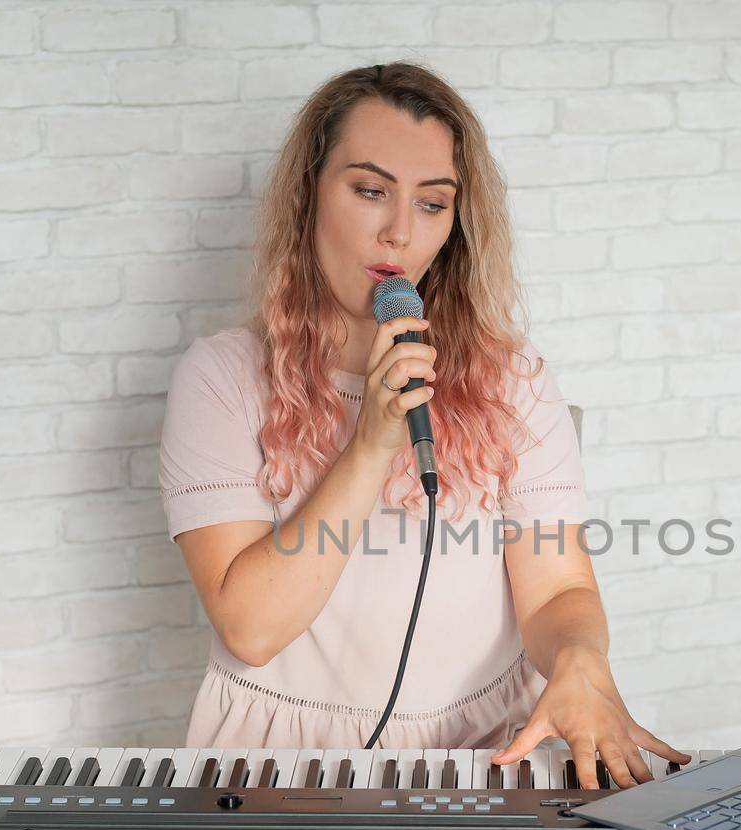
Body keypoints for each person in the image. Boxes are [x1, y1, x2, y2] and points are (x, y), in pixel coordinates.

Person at [157, 61, 688, 789]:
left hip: (485, 751)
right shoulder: (220, 378)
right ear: (309, 195)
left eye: (432, 203)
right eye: (370, 191)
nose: (399, 232)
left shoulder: (513, 379)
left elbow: (558, 587)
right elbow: (251, 628)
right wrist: (371, 442)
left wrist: (580, 660)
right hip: (277, 769)